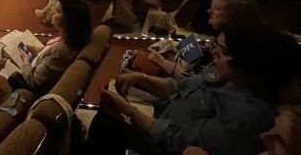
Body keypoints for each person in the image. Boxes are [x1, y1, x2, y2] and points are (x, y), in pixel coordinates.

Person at [84, 24, 300, 155]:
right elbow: (180, 86)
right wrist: (140, 78)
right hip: (163, 114)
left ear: (246, 65)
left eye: (222, 51)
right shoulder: (223, 74)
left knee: (107, 123)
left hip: (164, 143)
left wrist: (129, 111)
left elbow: (175, 139)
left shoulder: (246, 116)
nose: (214, 53)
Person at [0, 0, 91, 107]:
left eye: (58, 11)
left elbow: (34, 80)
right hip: (40, 59)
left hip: (31, 71)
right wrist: (34, 48)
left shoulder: (62, 51)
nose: (52, 13)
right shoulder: (69, 38)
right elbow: (48, 55)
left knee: (3, 49)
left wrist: (25, 57)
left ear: (69, 20)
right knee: (14, 35)